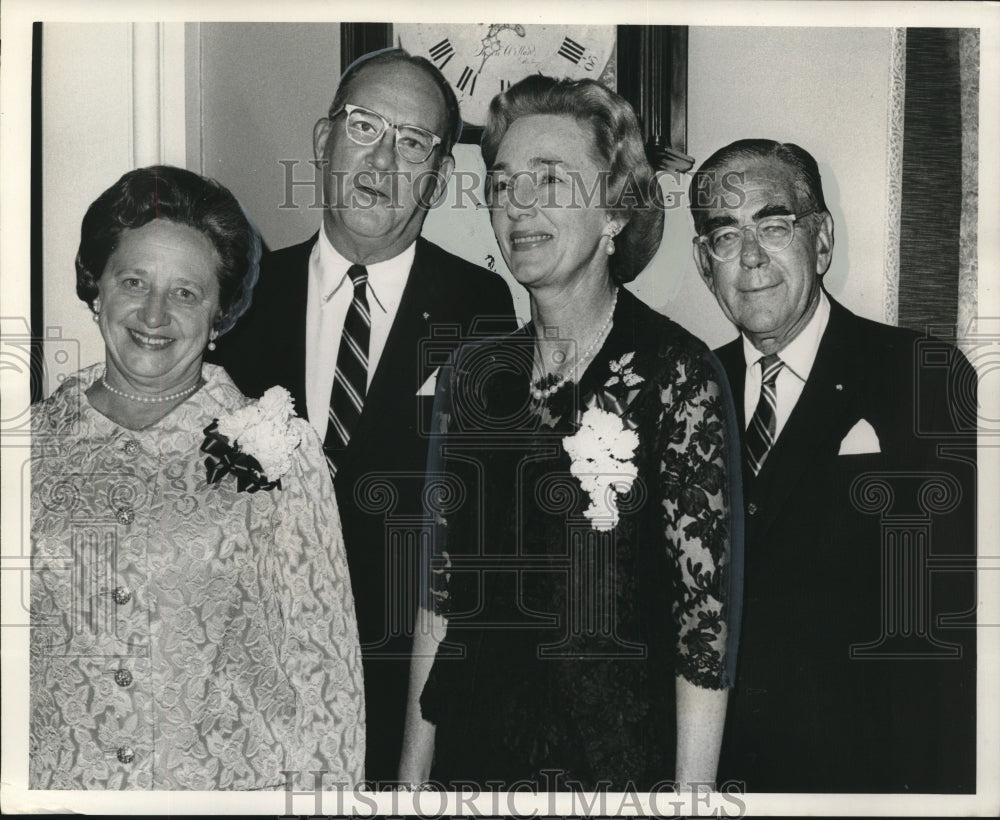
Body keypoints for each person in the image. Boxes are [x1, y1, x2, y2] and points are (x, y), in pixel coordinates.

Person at [398, 75, 743, 791]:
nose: (517, 203)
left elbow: (703, 637)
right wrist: (408, 786)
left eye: (550, 179)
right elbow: (439, 598)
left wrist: (691, 805)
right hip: (473, 762)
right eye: (502, 183)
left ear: (615, 208)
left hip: (614, 773)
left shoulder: (677, 375)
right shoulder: (471, 378)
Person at [210, 48, 516, 783]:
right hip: (253, 700)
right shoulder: (242, 299)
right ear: (324, 140)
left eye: (413, 143)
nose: (383, 158)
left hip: (406, 709)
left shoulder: (482, 310)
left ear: (437, 178)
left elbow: (479, 545)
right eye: (365, 126)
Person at [29, 166, 365, 790]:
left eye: (186, 293)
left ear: (219, 315)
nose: (154, 313)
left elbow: (325, 688)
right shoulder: (25, 446)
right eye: (134, 281)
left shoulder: (279, 451)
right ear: (97, 286)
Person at [690, 139, 977, 792]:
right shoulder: (685, 389)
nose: (751, 256)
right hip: (724, 778)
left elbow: (954, 627)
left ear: (820, 241)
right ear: (706, 264)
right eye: (726, 236)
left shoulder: (923, 377)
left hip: (871, 777)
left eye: (773, 226)